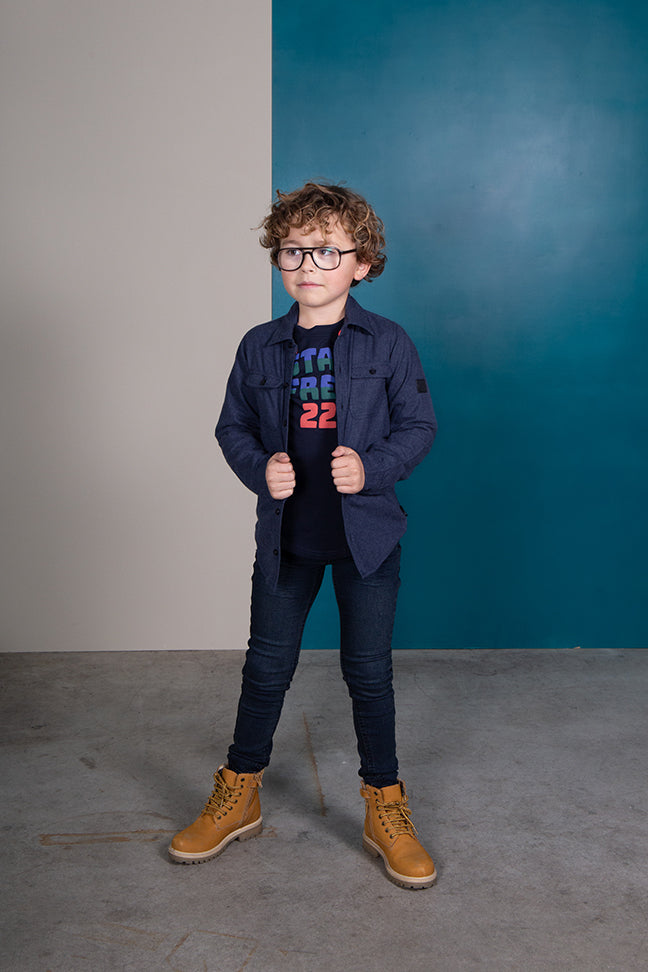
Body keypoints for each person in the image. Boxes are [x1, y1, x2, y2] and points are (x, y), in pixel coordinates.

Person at [169, 182, 438, 889]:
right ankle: (240, 791)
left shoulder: (389, 342)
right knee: (266, 667)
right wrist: (261, 469)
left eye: (326, 251)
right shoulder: (259, 346)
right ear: (277, 259)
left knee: (368, 672)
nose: (307, 264)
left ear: (362, 264)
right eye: (293, 251)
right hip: (288, 538)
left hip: (366, 539)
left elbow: (419, 426)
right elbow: (232, 426)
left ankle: (384, 804)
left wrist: (372, 468)